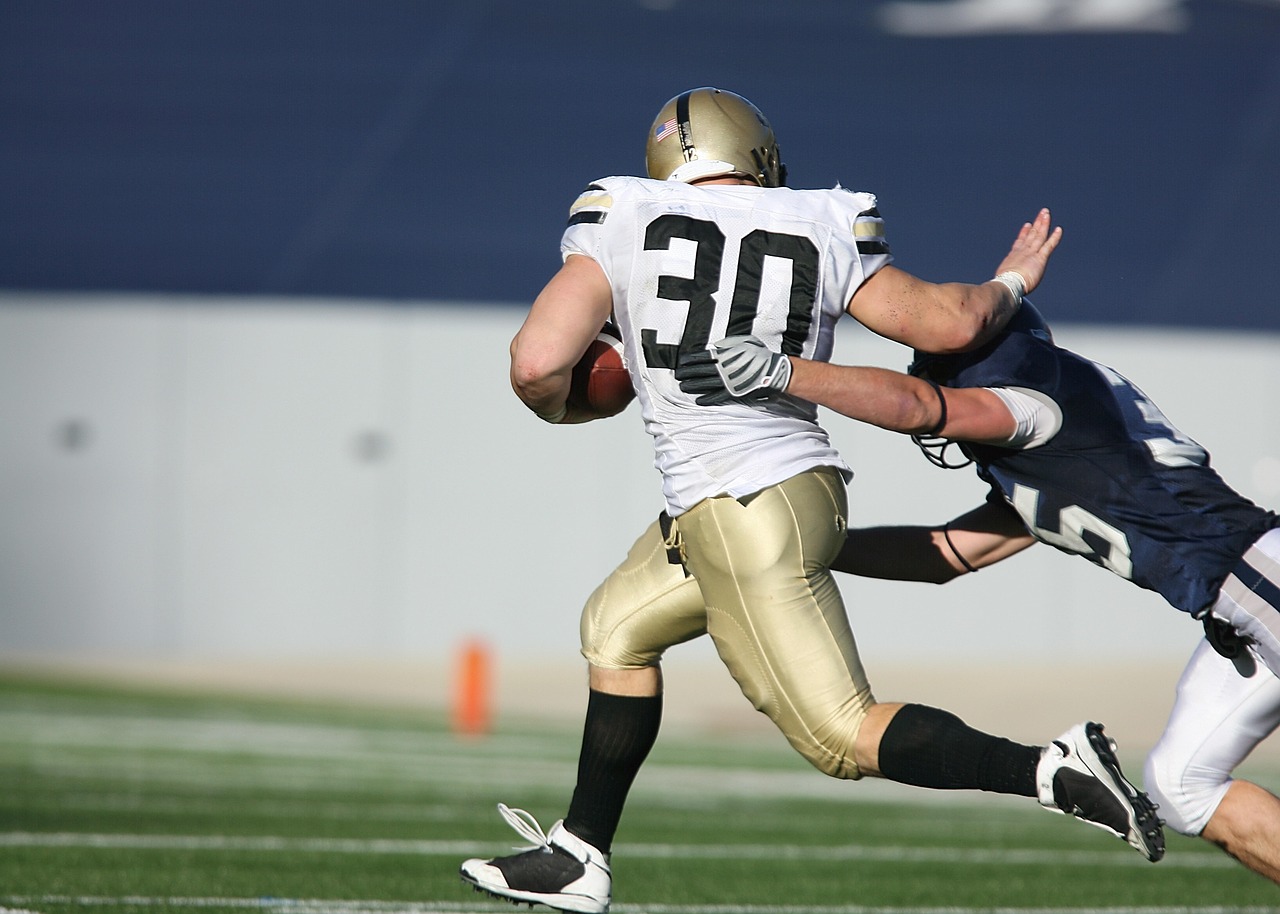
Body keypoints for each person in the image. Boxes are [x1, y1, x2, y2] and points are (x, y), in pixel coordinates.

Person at [459, 88, 1162, 914]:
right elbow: (946, 323)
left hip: (742, 507)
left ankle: (1052, 768)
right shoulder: (823, 220)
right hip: (777, 495)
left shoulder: (620, 213)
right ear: (753, 151)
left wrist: (577, 402)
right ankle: (580, 853)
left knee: (840, 735)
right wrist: (1012, 280)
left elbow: (538, 363)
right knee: (614, 629)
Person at [691, 301, 1280, 884]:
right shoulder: (1059, 448)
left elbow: (919, 408)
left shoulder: (1032, 407)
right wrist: (794, 547)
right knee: (1182, 786)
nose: (931, 382)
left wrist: (785, 371)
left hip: (1255, 576)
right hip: (1236, 610)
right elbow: (946, 554)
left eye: (940, 370)